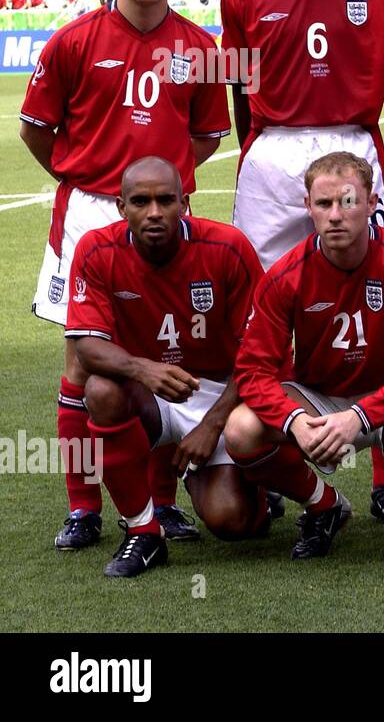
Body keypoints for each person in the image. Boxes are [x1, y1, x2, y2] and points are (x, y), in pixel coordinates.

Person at [19, 0, 230, 551]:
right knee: (83, 364)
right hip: (91, 211)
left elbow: (207, 134)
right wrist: (87, 178)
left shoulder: (198, 48)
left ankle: (162, 505)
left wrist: (163, 185)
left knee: (171, 355)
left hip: (166, 212)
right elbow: (37, 130)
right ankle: (83, 507)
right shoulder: (73, 41)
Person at [220, 0, 384, 521]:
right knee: (255, 300)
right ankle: (271, 466)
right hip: (273, 150)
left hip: (352, 145)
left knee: (379, 291)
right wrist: (252, 156)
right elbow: (237, 86)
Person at [225, 152, 384, 562]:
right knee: (240, 429)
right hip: (320, 398)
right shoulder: (285, 275)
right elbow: (252, 370)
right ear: (308, 208)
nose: (336, 215)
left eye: (348, 202)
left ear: (372, 205)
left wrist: (360, 416)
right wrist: (295, 421)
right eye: (324, 204)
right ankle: (323, 506)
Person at [68, 158, 268, 577]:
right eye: (140, 201)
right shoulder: (95, 249)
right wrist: (144, 370)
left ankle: (245, 481)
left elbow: (259, 354)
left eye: (165, 200)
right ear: (121, 208)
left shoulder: (228, 248)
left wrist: (212, 425)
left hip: (218, 395)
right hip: (147, 394)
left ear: (185, 203)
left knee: (235, 522)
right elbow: (86, 346)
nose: (154, 212)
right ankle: (144, 531)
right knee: (101, 389)